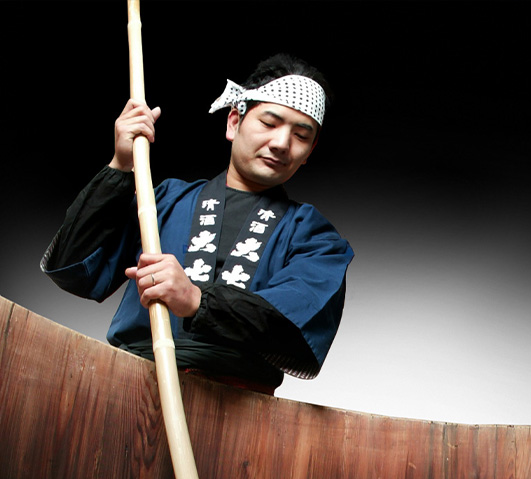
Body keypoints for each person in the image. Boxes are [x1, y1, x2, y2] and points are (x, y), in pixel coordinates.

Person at [42, 54, 354, 394]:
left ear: (310, 151)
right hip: (130, 390)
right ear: (234, 122)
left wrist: (195, 300)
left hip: (241, 408)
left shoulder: (316, 238)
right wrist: (121, 164)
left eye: (301, 135)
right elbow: (74, 268)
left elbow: (293, 327)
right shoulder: (163, 200)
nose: (281, 143)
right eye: (269, 123)